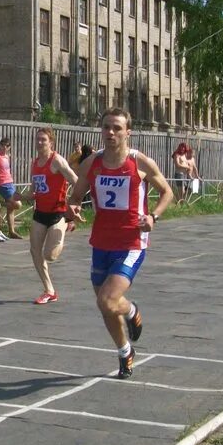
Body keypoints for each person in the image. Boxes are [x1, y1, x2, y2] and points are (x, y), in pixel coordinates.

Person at [68, 108, 174, 379]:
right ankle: (125, 351)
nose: (111, 133)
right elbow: (76, 195)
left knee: (108, 299)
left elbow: (167, 192)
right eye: (106, 127)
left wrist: (154, 216)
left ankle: (131, 309)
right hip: (101, 241)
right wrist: (73, 209)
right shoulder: (92, 163)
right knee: (105, 306)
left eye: (116, 128)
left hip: (131, 242)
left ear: (128, 132)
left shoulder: (140, 162)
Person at [13, 127, 78, 304]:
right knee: (35, 251)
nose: (40, 142)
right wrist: (20, 196)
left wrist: (74, 204)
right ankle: (49, 290)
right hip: (40, 212)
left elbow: (76, 181)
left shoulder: (57, 160)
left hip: (57, 213)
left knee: (50, 255)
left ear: (51, 142)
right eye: (38, 139)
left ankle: (66, 224)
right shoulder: (35, 163)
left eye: (43, 139)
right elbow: (35, 192)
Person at [0, 137, 23, 239]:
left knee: (11, 209)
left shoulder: (6, 157)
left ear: (9, 147)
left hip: (10, 183)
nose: (5, 147)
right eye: (3, 145)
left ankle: (11, 231)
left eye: (7, 146)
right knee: (17, 204)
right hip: (3, 184)